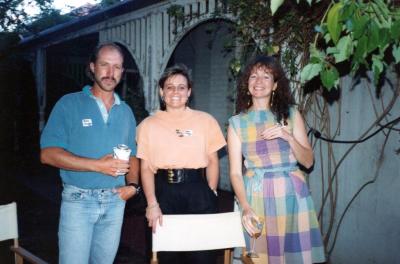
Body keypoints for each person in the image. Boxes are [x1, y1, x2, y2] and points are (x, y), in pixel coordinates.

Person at [40, 42, 140, 264]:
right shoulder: (69, 103)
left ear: (122, 72)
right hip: (78, 200)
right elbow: (47, 154)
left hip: (115, 201)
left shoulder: (126, 112)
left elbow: (132, 155)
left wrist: (133, 187)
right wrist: (97, 165)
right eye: (104, 65)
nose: (110, 73)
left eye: (117, 67)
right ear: (93, 67)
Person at [227, 55, 326, 263]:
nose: (259, 82)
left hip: (291, 196)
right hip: (256, 196)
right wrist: (244, 206)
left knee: (292, 256)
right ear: (247, 84)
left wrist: (287, 136)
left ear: (275, 85)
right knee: (258, 257)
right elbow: (235, 172)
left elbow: (308, 162)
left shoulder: (291, 114)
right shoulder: (236, 122)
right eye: (253, 76)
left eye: (266, 76)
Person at [136, 64, 226, 264]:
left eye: (181, 87)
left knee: (202, 255)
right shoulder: (147, 126)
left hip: (198, 191)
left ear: (189, 92)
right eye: (169, 87)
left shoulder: (206, 121)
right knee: (166, 255)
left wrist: (211, 192)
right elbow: (146, 168)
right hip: (163, 194)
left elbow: (212, 160)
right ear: (161, 92)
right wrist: (152, 204)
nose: (175, 92)